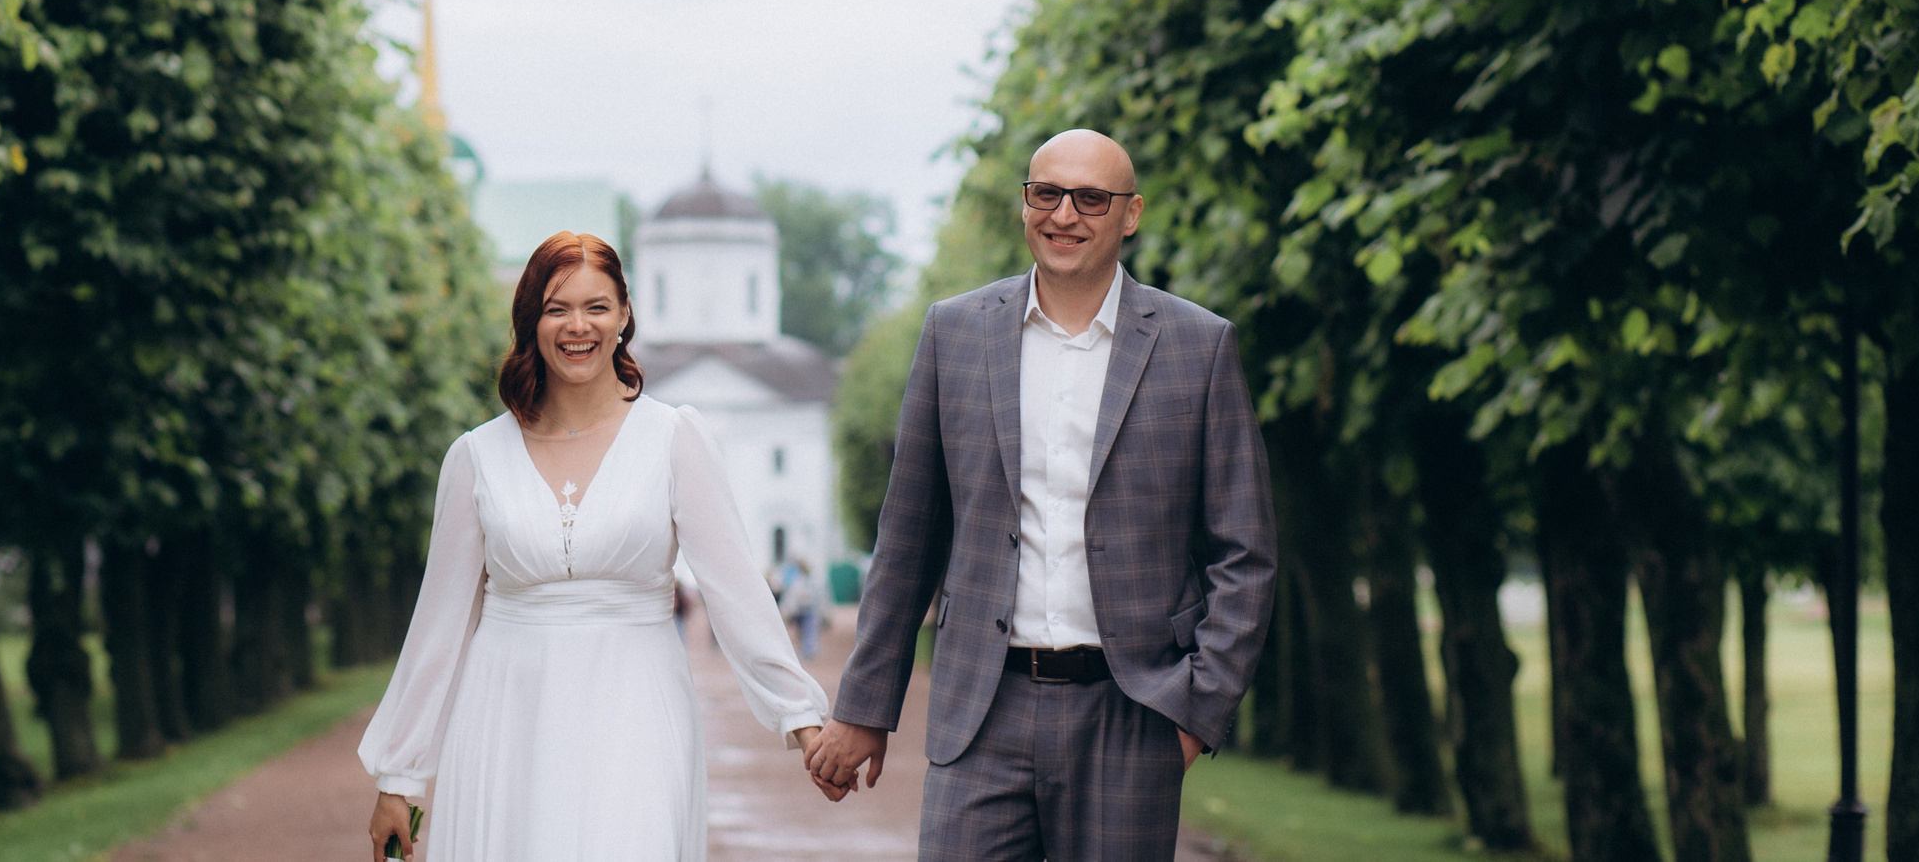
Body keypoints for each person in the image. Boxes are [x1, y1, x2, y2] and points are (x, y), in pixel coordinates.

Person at [804, 129, 1276, 862]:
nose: (1065, 214)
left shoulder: (1198, 345)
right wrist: (866, 706)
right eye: (1046, 193)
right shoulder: (954, 333)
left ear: (1132, 213)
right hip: (981, 709)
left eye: (1091, 197)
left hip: (1132, 710)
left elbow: (1245, 553)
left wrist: (1196, 710)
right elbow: (908, 538)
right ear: (1024, 204)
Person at [360, 230, 828, 860]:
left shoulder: (674, 437)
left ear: (624, 315)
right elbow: (438, 623)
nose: (577, 326)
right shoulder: (475, 457)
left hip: (637, 713)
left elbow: (737, 591)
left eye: (596, 307)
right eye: (556, 308)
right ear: (531, 320)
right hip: (505, 717)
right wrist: (399, 775)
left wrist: (801, 719)